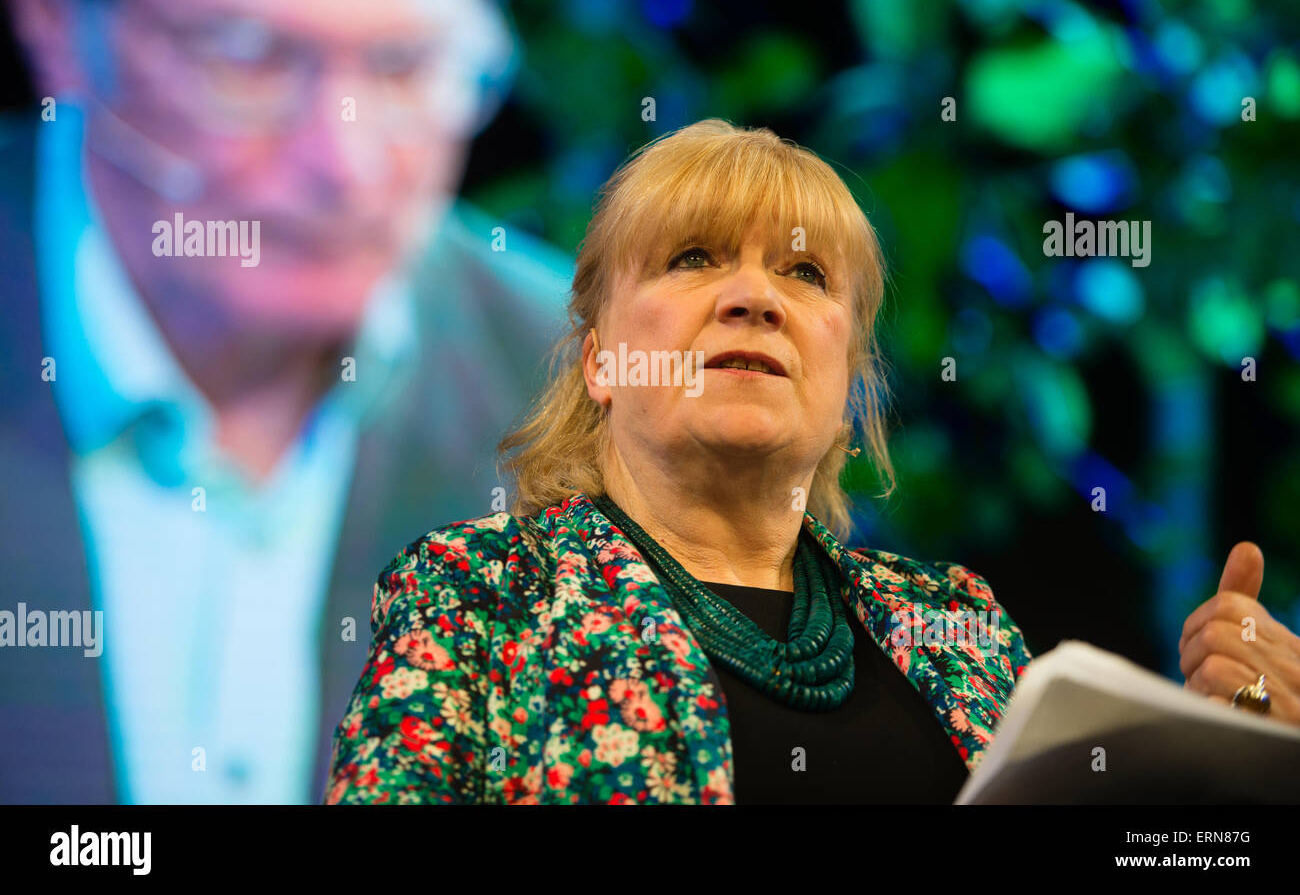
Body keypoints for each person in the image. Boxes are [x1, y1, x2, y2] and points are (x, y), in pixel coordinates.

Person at [327, 118, 1300, 804]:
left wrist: (1234, 759)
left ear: (849, 382)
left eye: (804, 273)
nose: (755, 298)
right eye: (694, 257)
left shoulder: (954, 622)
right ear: (597, 359)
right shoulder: (474, 594)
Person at [0, 0, 570, 803]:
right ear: (52, 7)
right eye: (248, 57)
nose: (343, 165)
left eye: (409, 65)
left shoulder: (601, 413)